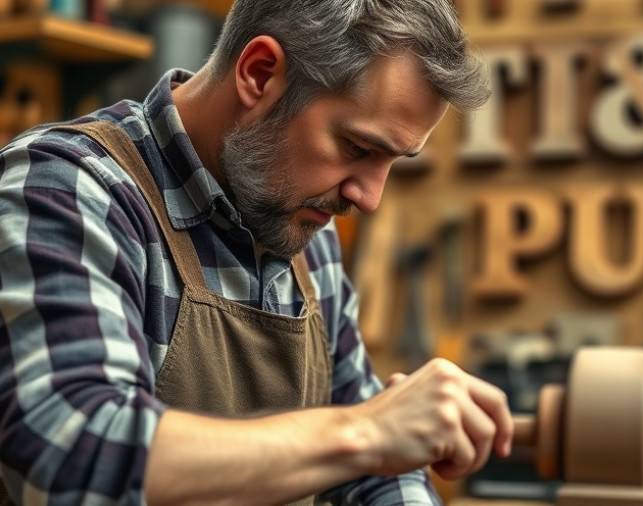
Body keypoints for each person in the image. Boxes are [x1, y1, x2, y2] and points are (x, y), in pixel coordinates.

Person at [0, 0, 513, 504]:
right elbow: (73, 456)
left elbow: (375, 474)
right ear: (260, 74)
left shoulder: (306, 232)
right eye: (358, 148)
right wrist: (366, 433)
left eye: (393, 160)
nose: (370, 199)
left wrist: (384, 452)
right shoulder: (65, 190)